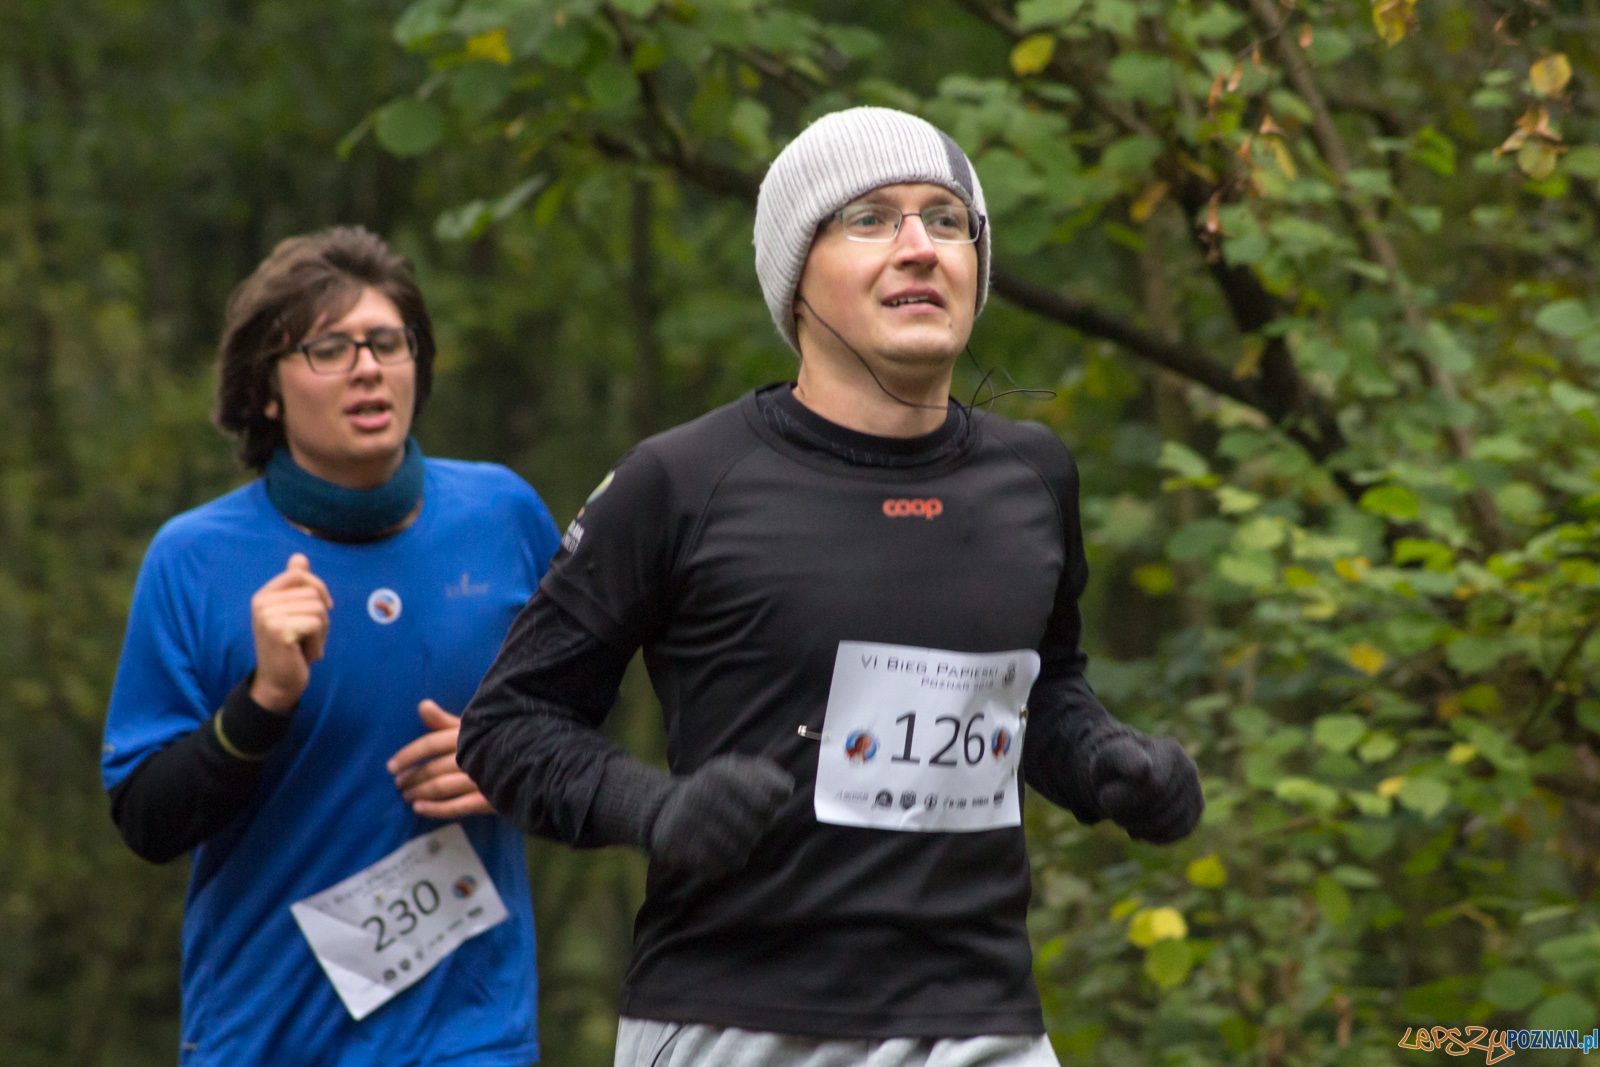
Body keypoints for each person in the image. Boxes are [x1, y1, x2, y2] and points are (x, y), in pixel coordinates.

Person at [458, 108, 1205, 1067]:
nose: (918, 247)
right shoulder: (683, 481)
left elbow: (1042, 688)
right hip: (738, 1016)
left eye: (946, 219)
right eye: (870, 219)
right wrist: (654, 808)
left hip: (983, 1018)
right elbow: (509, 725)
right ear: (794, 276)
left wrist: (1111, 761)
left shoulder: (1032, 476)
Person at [101, 227, 559, 1067]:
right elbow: (146, 818)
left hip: (470, 1031)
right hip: (267, 1033)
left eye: (388, 342)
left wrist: (511, 761)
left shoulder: (504, 517)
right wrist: (262, 700)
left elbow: (580, 720)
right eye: (328, 348)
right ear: (266, 392)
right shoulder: (195, 559)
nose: (367, 366)